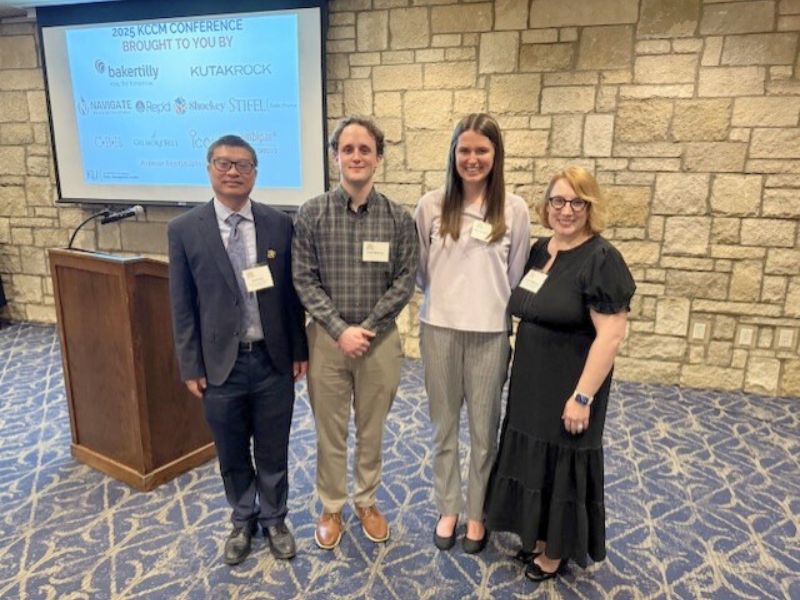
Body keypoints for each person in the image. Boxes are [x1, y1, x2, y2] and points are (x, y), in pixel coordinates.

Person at [485, 166, 635, 581]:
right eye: (558, 201)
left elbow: (611, 336)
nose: (566, 210)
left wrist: (582, 396)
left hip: (570, 385)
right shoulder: (541, 249)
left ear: (590, 207)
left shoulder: (602, 259)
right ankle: (534, 535)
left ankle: (554, 550)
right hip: (531, 382)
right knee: (533, 456)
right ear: (546, 206)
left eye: (576, 202)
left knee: (562, 462)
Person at [168, 134, 308, 565]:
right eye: (224, 163)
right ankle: (242, 518)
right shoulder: (184, 230)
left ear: (255, 173)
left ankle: (275, 519)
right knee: (230, 450)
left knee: (272, 446)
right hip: (219, 364)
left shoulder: (279, 224)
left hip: (272, 359)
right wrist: (190, 363)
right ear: (209, 168)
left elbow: (291, 296)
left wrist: (299, 350)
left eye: (243, 165)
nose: (233, 172)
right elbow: (183, 304)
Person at [292, 116, 418, 550]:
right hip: (327, 342)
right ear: (335, 157)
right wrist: (341, 330)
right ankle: (331, 504)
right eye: (348, 149)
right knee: (329, 430)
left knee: (371, 428)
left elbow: (404, 280)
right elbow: (304, 279)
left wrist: (366, 329)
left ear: (379, 159)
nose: (357, 157)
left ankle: (366, 500)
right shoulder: (311, 213)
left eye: (365, 149)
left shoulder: (399, 218)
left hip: (379, 343)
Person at [414, 113, 530, 553]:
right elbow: (422, 273)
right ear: (453, 154)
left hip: (489, 335)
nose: (472, 158)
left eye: (482, 150)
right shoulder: (430, 204)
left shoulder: (514, 209)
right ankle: (449, 507)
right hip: (438, 329)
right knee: (443, 426)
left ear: (495, 155)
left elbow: (515, 274)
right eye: (465, 150)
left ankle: (477, 513)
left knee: (484, 430)